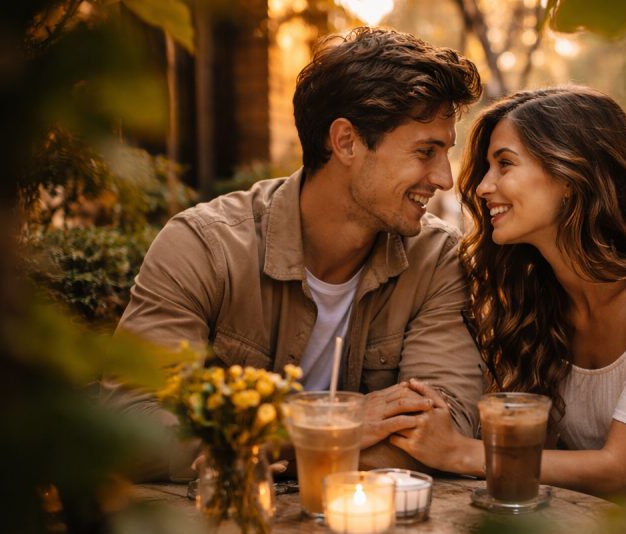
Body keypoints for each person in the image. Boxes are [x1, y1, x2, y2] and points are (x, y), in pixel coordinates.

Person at [102, 27, 485, 481]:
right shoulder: (204, 247)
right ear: (345, 142)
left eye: (445, 154)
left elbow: (447, 429)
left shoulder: (435, 259)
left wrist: (251, 448)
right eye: (426, 152)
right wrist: (328, 425)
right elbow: (130, 428)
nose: (444, 179)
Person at [390, 86, 626, 512]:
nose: (482, 186)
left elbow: (620, 469)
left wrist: (456, 451)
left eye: (505, 165)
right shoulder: (542, 298)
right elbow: (545, 459)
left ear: (571, 175)